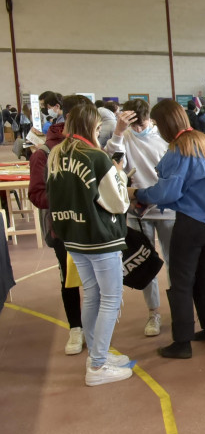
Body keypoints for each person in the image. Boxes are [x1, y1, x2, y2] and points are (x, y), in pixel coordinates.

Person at [132, 100, 205, 359]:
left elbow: (168, 191)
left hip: (191, 222)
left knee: (181, 280)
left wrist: (138, 193)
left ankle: (182, 341)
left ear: (164, 124)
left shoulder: (179, 150)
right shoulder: (204, 142)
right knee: (203, 274)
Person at [46, 102, 133, 386]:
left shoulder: (56, 154)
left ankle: (99, 353)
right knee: (111, 298)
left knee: (93, 295)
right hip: (100, 237)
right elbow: (118, 202)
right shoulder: (96, 157)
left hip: (73, 236)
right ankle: (97, 365)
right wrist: (119, 173)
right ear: (93, 127)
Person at [105, 98, 174, 336]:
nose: (138, 129)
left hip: (165, 209)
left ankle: (178, 308)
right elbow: (110, 161)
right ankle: (153, 312)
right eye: (133, 125)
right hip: (137, 210)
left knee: (172, 260)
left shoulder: (163, 138)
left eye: (141, 124)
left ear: (150, 119)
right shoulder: (124, 136)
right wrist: (118, 131)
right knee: (144, 260)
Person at [28, 96, 86, 355]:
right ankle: (76, 327)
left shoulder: (91, 146)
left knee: (99, 282)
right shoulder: (45, 153)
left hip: (93, 228)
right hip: (63, 229)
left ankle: (96, 329)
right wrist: (67, 196)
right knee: (69, 277)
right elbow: (37, 194)